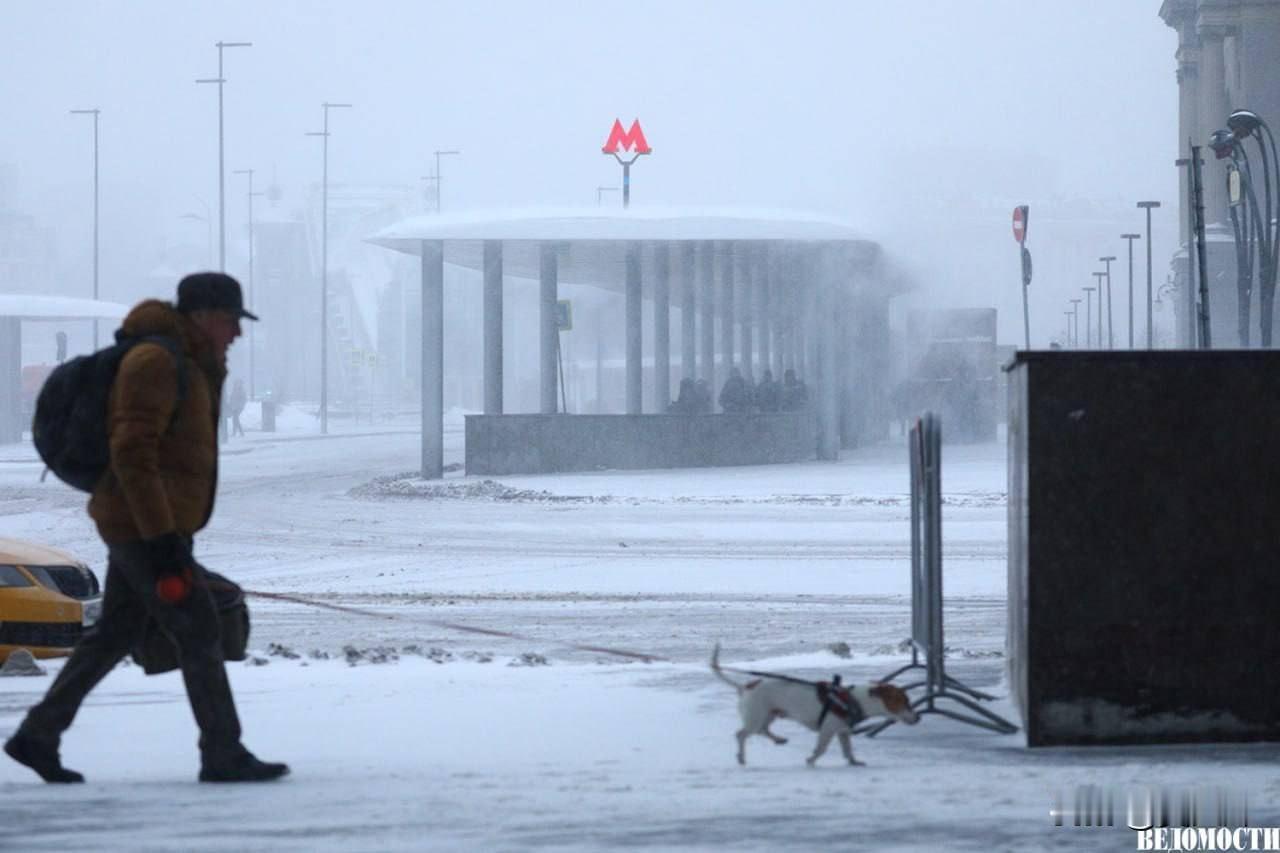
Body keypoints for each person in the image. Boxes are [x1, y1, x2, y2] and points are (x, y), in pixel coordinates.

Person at [4, 272, 289, 785]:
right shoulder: (155, 362)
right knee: (199, 629)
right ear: (202, 316)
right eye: (230, 321)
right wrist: (162, 541)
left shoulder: (186, 362)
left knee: (112, 635)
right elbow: (133, 454)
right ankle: (222, 751)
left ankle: (37, 736)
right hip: (142, 528)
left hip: (146, 524)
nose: (237, 334)